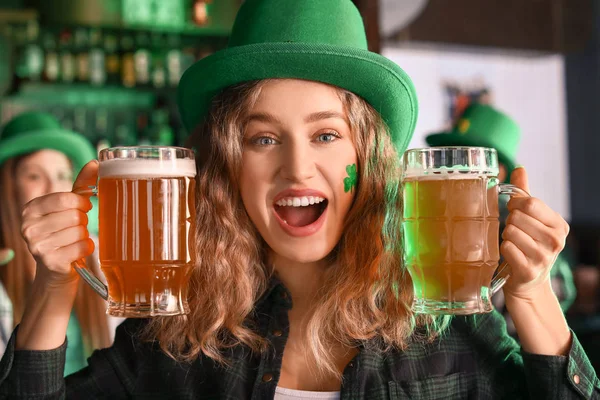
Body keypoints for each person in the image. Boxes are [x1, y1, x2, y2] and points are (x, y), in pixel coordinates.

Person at [0, 1, 598, 398]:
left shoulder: (444, 327)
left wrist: (530, 293)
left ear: (363, 159)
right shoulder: (179, 332)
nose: (296, 167)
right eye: (263, 138)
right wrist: (54, 288)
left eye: (326, 134)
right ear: (229, 166)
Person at [426, 103, 577, 333]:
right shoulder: (424, 219)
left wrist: (523, 293)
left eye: (467, 157)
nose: (451, 167)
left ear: (500, 172)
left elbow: (561, 290)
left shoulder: (518, 228)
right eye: (447, 155)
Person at [0, 111, 112, 374]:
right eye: (35, 176)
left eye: (63, 175)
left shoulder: (102, 256)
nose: (53, 187)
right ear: (8, 189)